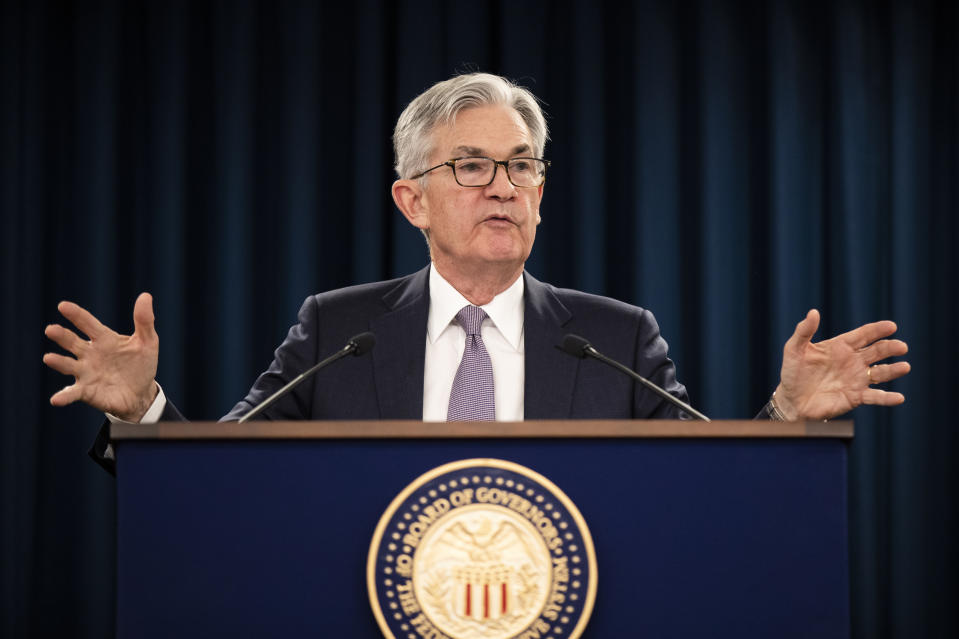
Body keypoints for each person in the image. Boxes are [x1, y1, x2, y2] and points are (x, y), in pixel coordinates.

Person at [42, 73, 911, 473]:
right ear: (410, 200)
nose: (502, 185)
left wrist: (785, 415)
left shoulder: (613, 336)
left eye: (521, 165)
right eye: (469, 166)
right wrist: (146, 413)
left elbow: (707, 492)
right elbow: (224, 487)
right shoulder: (338, 330)